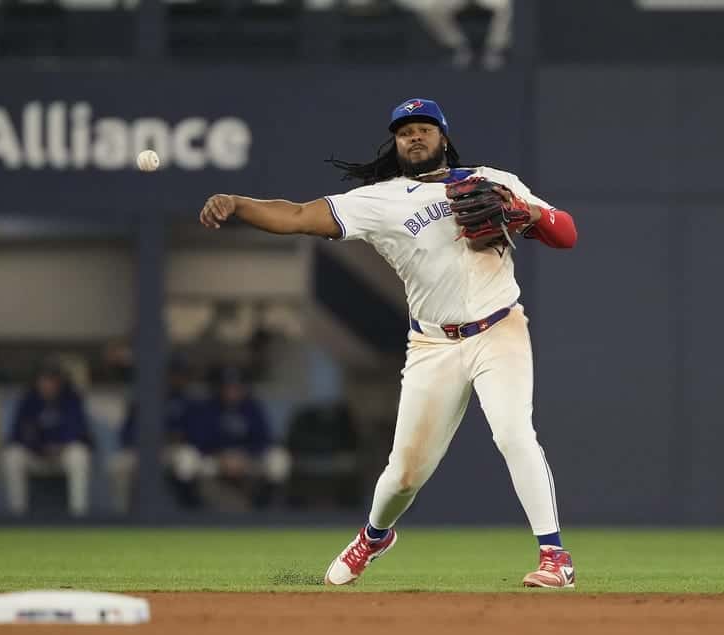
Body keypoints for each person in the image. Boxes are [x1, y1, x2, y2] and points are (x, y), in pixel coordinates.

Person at [199, 97, 578, 587]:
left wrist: (523, 212)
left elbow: (565, 234)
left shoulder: (492, 181)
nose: (414, 136)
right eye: (404, 131)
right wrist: (238, 204)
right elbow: (295, 215)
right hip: (433, 346)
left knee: (513, 432)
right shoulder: (379, 201)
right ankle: (375, 537)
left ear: (443, 136)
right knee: (403, 474)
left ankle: (555, 558)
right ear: (395, 143)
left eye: (424, 128)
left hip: (499, 328)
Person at [179, 366, 291, 510]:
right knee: (185, 458)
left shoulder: (253, 408)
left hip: (247, 459)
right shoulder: (206, 408)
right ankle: (188, 513)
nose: (231, 391)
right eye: (227, 387)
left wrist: (244, 456)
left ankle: (263, 511)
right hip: (213, 459)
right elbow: (197, 439)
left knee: (279, 459)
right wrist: (221, 456)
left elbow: (264, 440)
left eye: (236, 387)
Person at [1, 359, 92, 516]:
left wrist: (61, 445)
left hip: (63, 455)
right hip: (36, 455)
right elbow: (18, 434)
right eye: (44, 380)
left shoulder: (72, 399)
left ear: (60, 382)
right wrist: (38, 447)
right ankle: (17, 514)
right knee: (12, 456)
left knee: (79, 454)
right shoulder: (28, 400)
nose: (48, 385)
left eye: (52, 381)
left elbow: (79, 431)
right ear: (37, 382)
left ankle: (78, 515)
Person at [110, 355, 200, 512]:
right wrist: (145, 443)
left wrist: (177, 438)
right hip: (143, 451)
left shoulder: (189, 402)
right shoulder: (144, 399)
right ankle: (122, 513)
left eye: (180, 374)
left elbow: (197, 435)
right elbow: (126, 434)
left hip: (175, 451)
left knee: (187, 459)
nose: (177, 379)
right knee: (118, 464)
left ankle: (188, 511)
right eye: (173, 374)